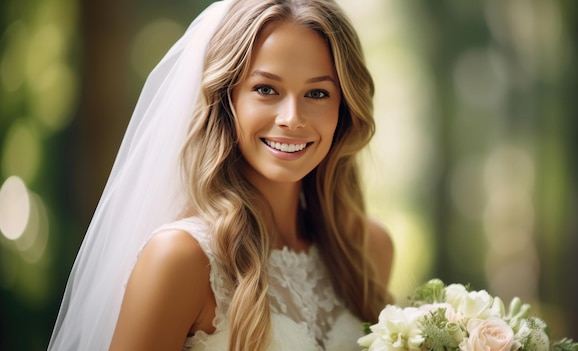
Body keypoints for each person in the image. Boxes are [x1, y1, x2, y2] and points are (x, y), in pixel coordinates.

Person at [48, 0, 394, 350]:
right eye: (266, 89)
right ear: (227, 99)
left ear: (344, 110)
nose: (292, 117)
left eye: (317, 93)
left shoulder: (368, 249)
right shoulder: (181, 259)